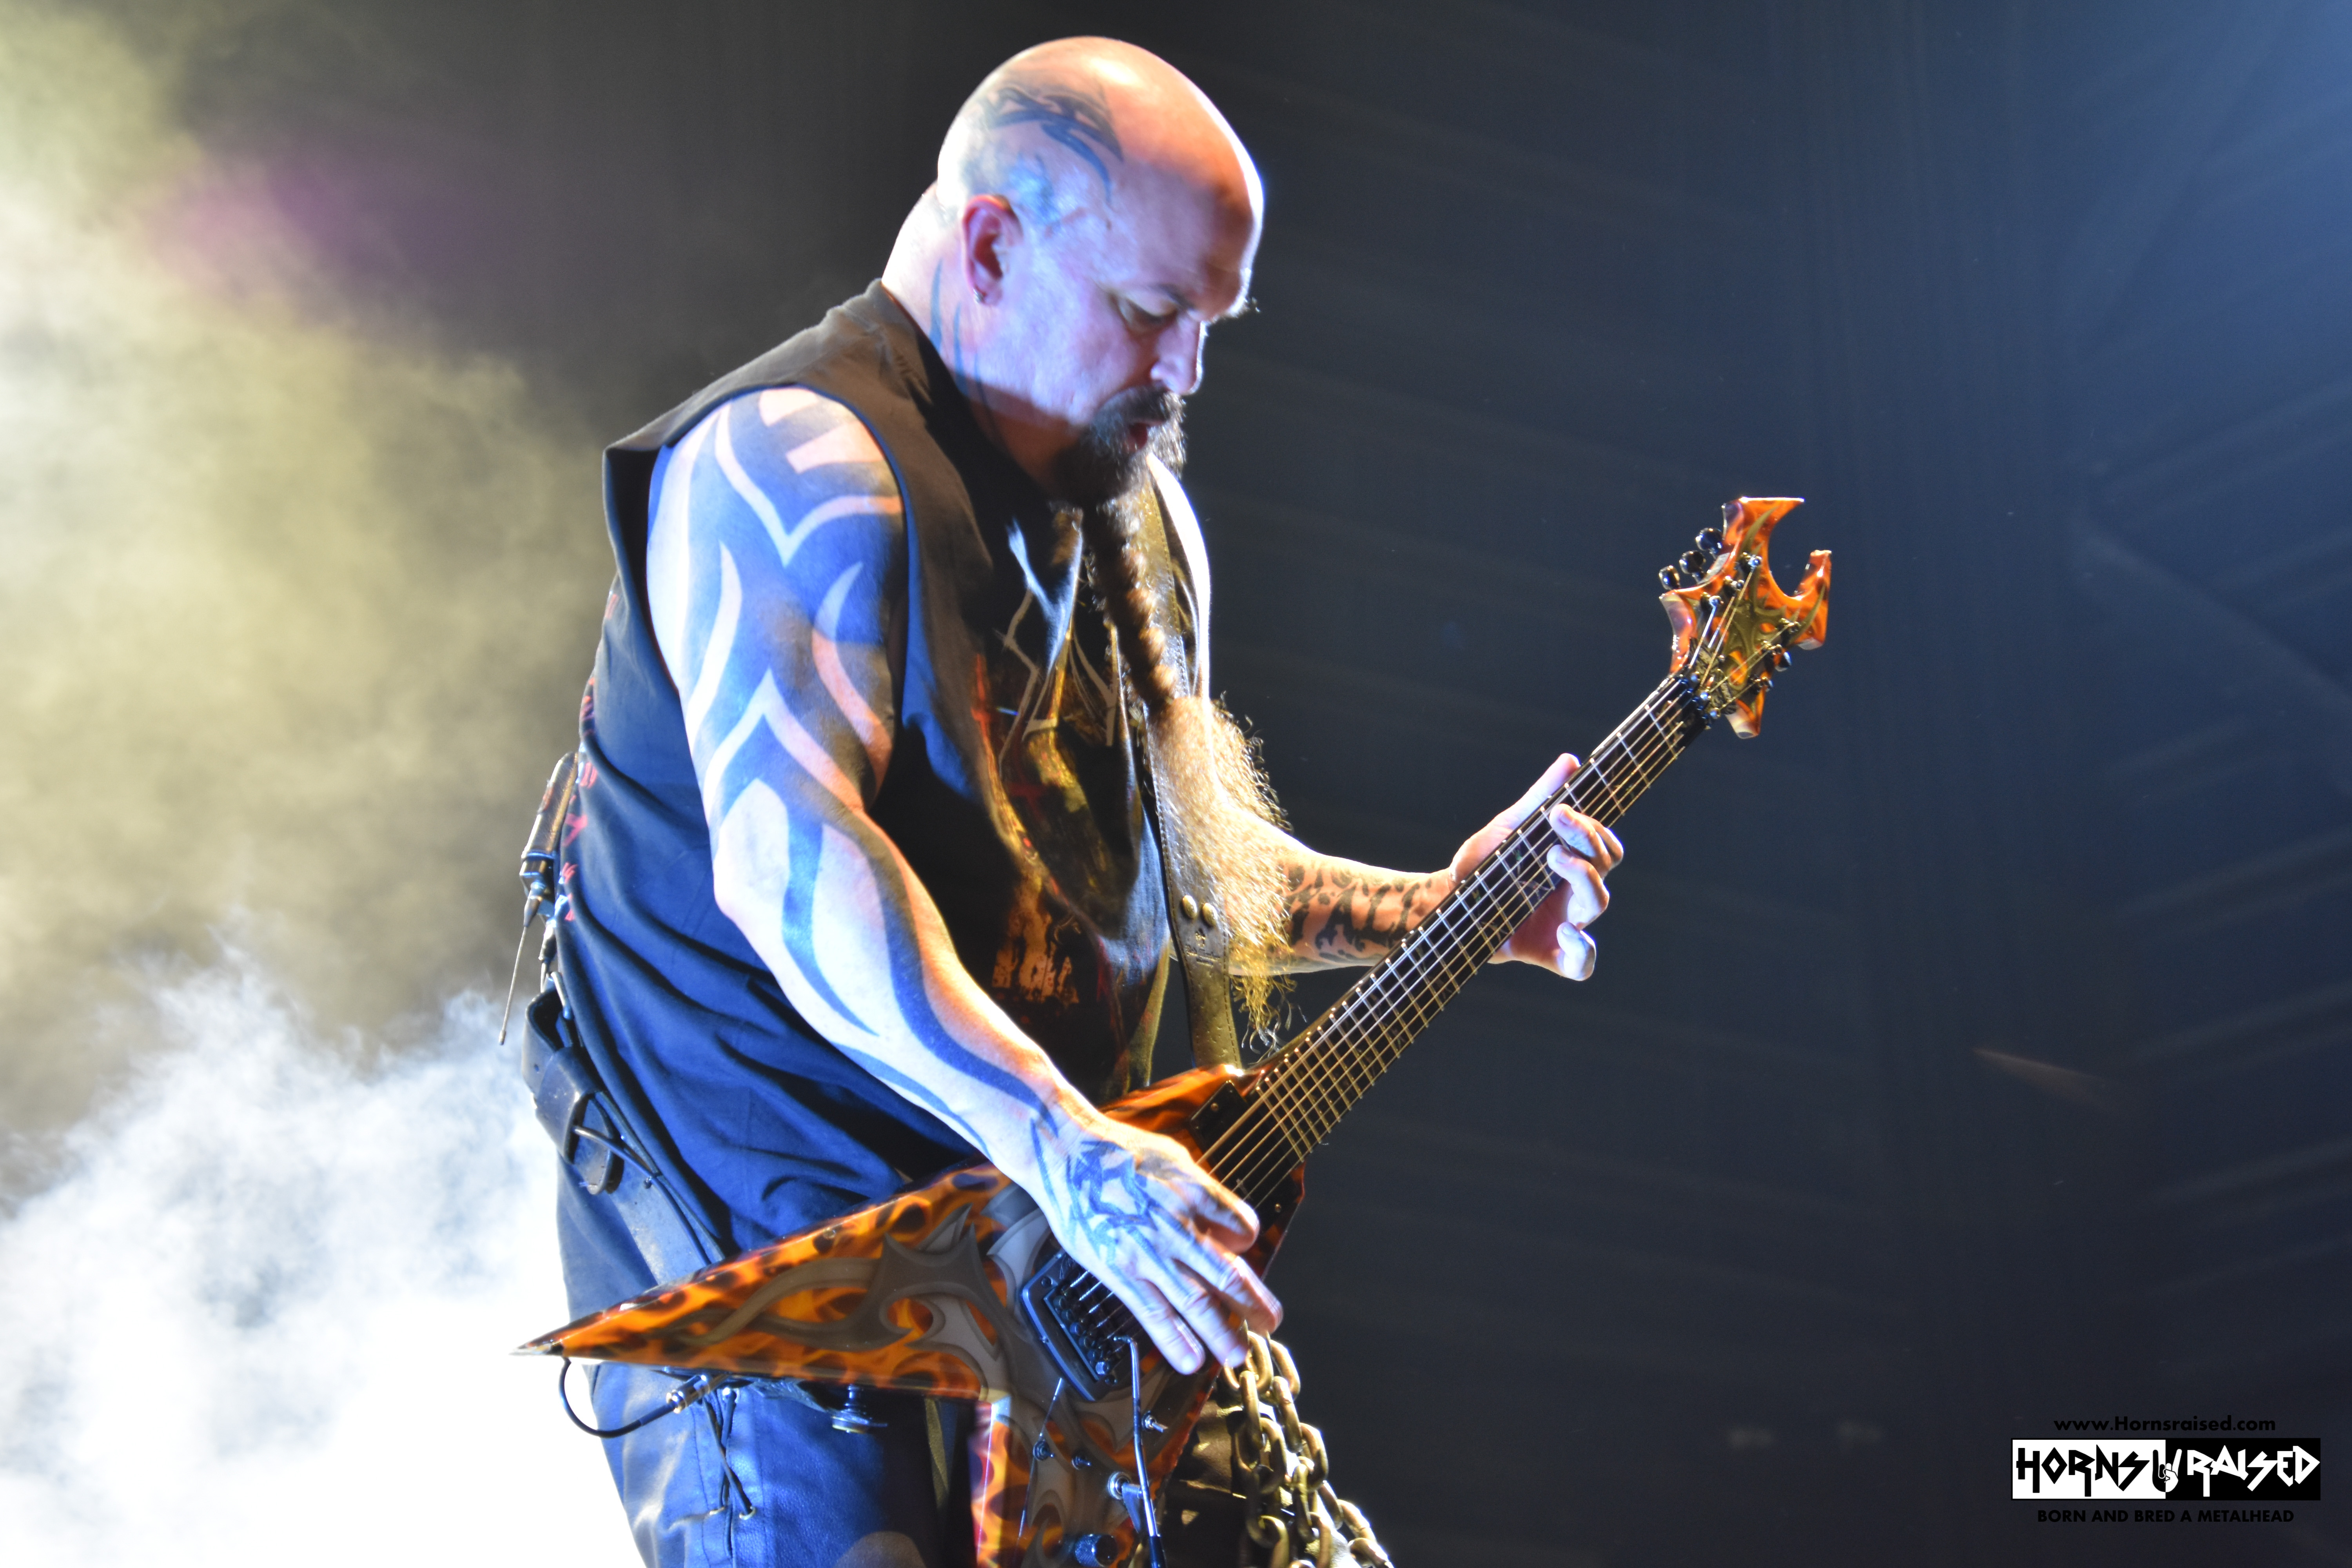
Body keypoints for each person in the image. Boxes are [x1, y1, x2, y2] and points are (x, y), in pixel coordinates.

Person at [541, 36, 1623, 1568]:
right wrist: (1070, 1151)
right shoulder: (799, 467)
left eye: (1210, 327)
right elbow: (795, 870)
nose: (1184, 377)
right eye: (1149, 312)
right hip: (780, 1269)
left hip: (1023, 1241)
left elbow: (1182, 879)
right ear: (991, 245)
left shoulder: (1137, 517)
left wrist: (1438, 912)